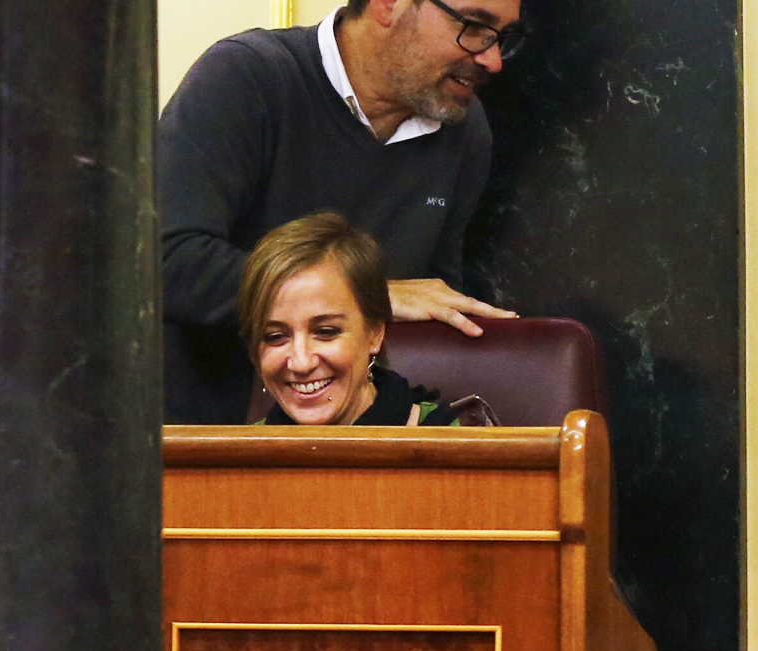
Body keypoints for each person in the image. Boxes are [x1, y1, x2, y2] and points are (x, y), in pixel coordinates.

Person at [159, 0, 525, 423]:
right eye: (474, 27)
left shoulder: (464, 127)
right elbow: (161, 260)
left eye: (502, 38)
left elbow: (432, 301)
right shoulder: (247, 76)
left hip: (366, 444)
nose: (493, 60)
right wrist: (370, 296)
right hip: (203, 444)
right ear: (387, 5)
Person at [240, 213, 459, 426]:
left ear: (375, 333)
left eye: (325, 332)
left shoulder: (454, 444)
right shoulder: (238, 454)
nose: (301, 363)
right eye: (275, 336)